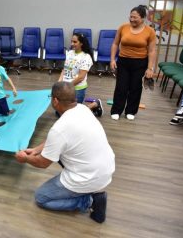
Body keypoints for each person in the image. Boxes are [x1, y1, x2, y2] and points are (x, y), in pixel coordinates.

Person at [15, 82, 115, 223]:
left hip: (87, 177)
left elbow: (43, 163)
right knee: (60, 152)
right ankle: (88, 193)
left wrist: (24, 159)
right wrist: (35, 150)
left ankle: (89, 201)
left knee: (41, 198)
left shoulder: (60, 128)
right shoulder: (82, 109)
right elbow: (58, 140)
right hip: (106, 168)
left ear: (55, 101)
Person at [110, 5, 156, 121]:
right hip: (123, 60)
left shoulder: (150, 31)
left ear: (143, 18)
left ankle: (131, 111)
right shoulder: (123, 27)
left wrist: (150, 68)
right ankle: (116, 110)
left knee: (135, 87)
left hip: (140, 62)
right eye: (130, 17)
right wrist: (112, 60)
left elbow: (151, 51)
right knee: (121, 86)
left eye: (135, 17)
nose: (132, 19)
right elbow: (115, 44)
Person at [58, 33, 104, 117]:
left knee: (73, 116)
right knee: (59, 113)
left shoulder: (86, 57)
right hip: (66, 87)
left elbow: (80, 77)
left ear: (81, 43)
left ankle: (95, 104)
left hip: (77, 89)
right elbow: (64, 69)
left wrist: (67, 87)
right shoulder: (70, 53)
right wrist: (59, 82)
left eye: (75, 42)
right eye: (71, 41)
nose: (72, 44)